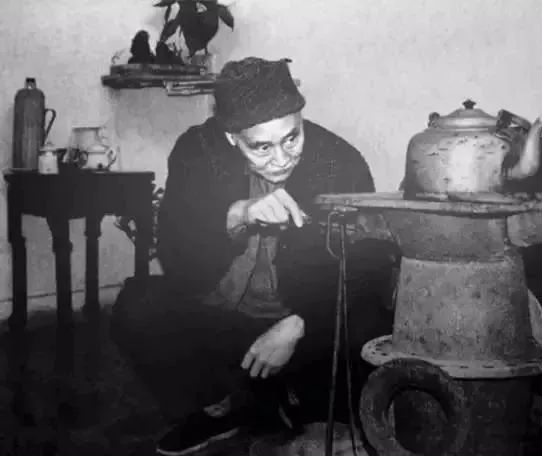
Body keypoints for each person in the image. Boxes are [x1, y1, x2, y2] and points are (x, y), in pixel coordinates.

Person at [110, 57, 398, 455]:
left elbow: (371, 265)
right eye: (261, 147)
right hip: (226, 319)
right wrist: (236, 215)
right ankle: (223, 408)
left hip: (306, 329)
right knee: (138, 307)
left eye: (292, 138)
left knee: (367, 322)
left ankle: (296, 405)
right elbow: (178, 259)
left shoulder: (338, 159)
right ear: (232, 137)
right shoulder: (197, 152)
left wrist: (299, 324)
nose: (281, 158)